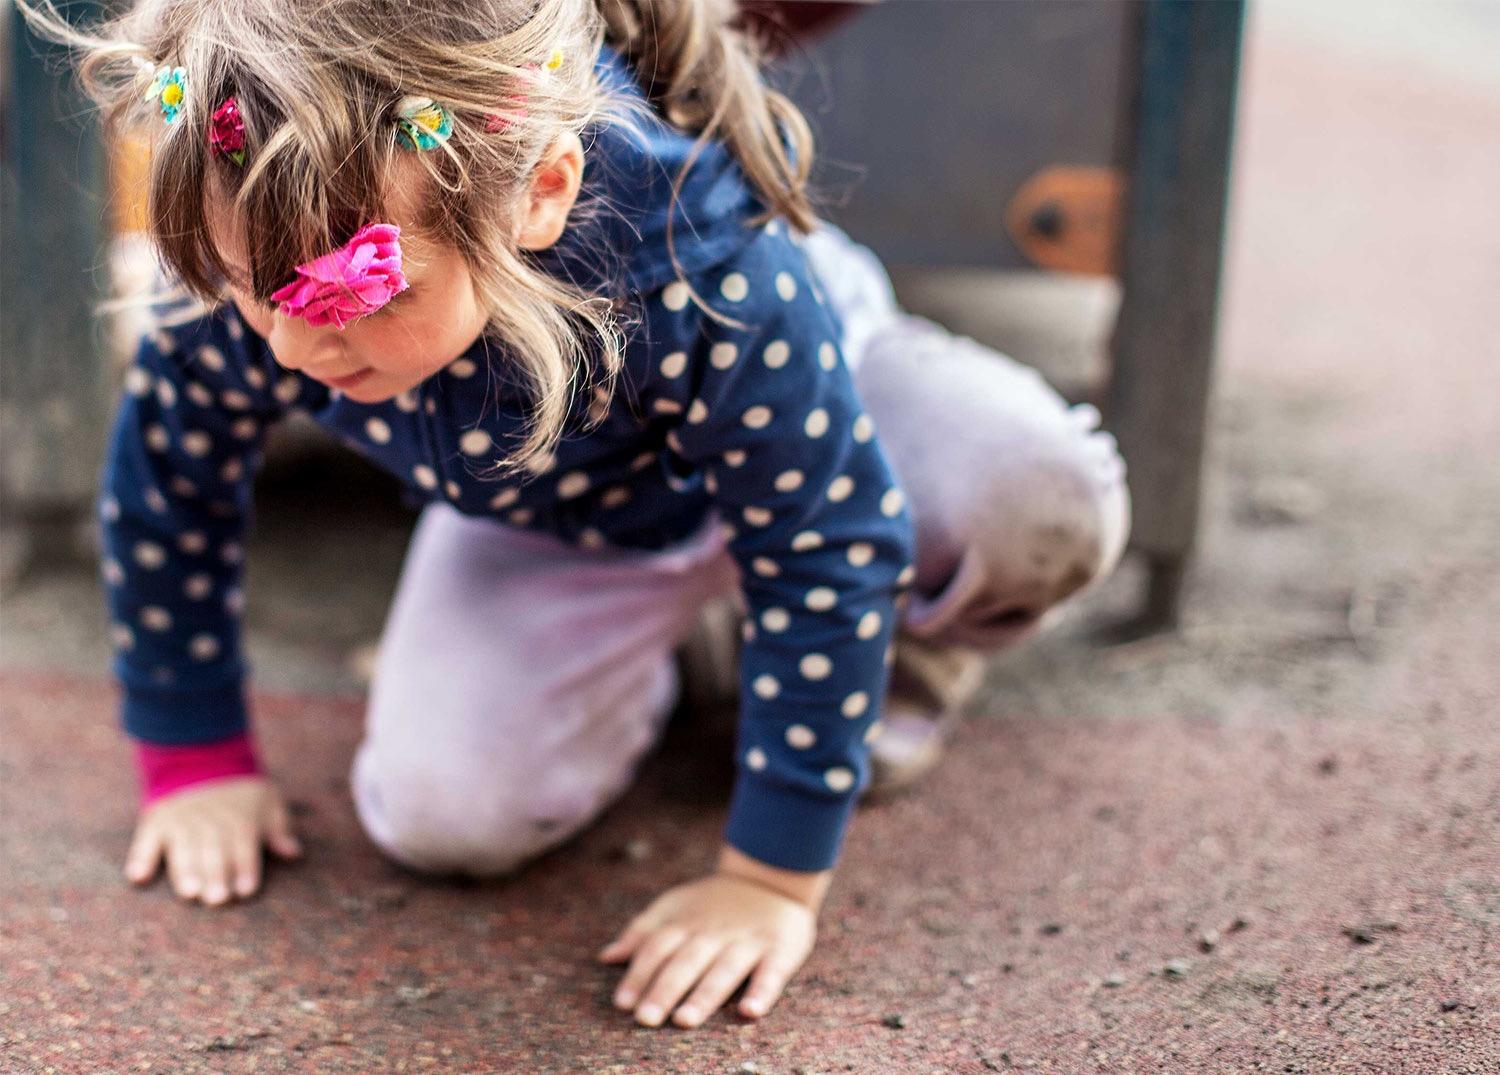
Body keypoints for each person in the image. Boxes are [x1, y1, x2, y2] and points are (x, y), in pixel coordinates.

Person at [24, 0, 1129, 1030]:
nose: (293, 348)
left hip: (813, 424)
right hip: (557, 512)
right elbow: (172, 482)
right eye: (252, 289)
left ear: (538, 191)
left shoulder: (708, 269)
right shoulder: (264, 226)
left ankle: (905, 652)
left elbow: (822, 540)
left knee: (1041, 500)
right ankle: (696, 650)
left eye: (350, 295)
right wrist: (194, 753)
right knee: (440, 817)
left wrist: (769, 882)